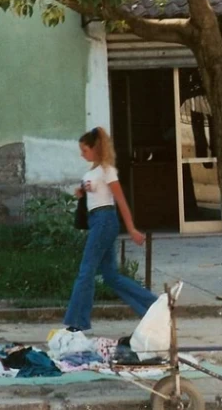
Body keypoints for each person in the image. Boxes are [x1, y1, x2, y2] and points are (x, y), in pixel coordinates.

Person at [64, 127, 157, 332]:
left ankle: (77, 321)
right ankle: (152, 305)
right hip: (97, 220)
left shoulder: (107, 170)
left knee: (86, 271)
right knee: (110, 276)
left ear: (95, 149)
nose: (82, 154)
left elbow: (120, 200)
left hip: (105, 219)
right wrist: (82, 193)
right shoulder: (91, 172)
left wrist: (131, 229)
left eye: (85, 150)